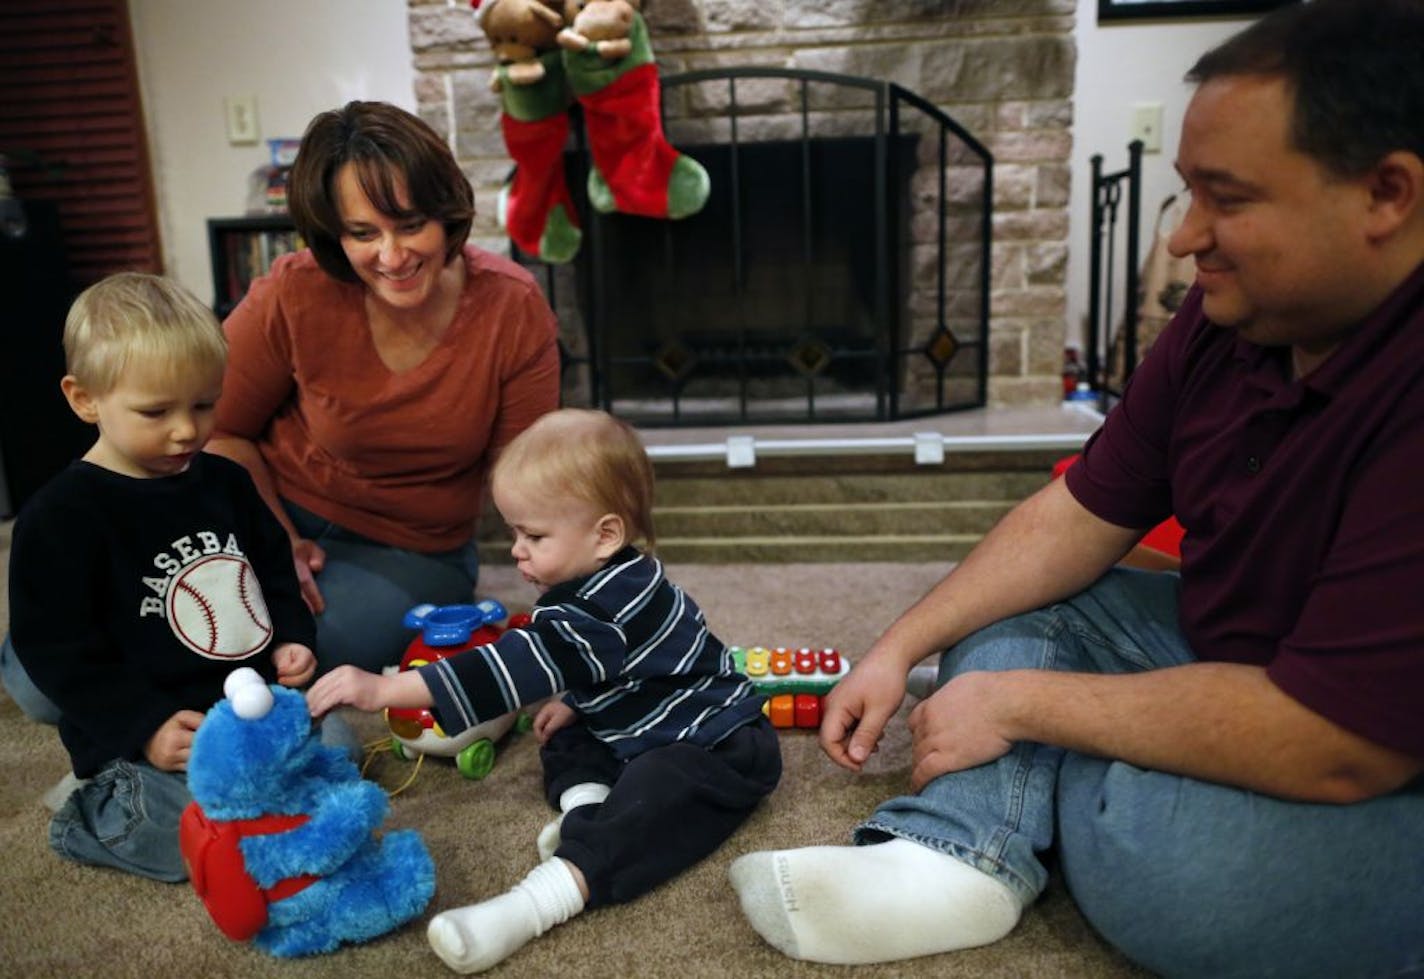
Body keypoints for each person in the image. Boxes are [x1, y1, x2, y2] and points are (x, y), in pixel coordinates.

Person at [728, 2, 1424, 976]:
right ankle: (953, 854)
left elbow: (1338, 742)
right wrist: (896, 649)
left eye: (1224, 199)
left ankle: (1020, 805)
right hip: (1241, 655)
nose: (1184, 240)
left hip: (1369, 753)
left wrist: (1021, 706)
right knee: (1016, 601)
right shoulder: (1237, 316)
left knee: (1177, 875)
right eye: (1186, 195)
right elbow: (1075, 514)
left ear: (1385, 193)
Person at [308, 408, 781, 974]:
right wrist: (577, 696)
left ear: (605, 535)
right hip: (638, 720)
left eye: (533, 535)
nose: (515, 551)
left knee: (661, 792)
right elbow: (623, 667)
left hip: (717, 743)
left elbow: (504, 668)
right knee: (562, 729)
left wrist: (386, 689)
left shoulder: (601, 609)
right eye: (513, 532)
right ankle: (589, 808)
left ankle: (534, 902)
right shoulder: (610, 578)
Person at [207, 100, 561, 676]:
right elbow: (216, 430)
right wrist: (274, 541)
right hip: (270, 507)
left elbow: (531, 479)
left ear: (446, 214)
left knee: (301, 649)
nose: (392, 257)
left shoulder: (512, 308)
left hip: (412, 546)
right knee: (156, 633)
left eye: (411, 225)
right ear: (333, 233)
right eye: (362, 233)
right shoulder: (293, 291)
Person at [2, 272, 319, 881]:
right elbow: (59, 650)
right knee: (194, 845)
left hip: (240, 714)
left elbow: (274, 568)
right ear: (84, 399)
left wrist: (292, 637)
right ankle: (87, 814)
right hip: (146, 737)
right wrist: (141, 727)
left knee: (336, 759)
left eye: (204, 405)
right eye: (156, 411)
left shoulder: (225, 481)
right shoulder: (61, 517)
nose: (186, 429)